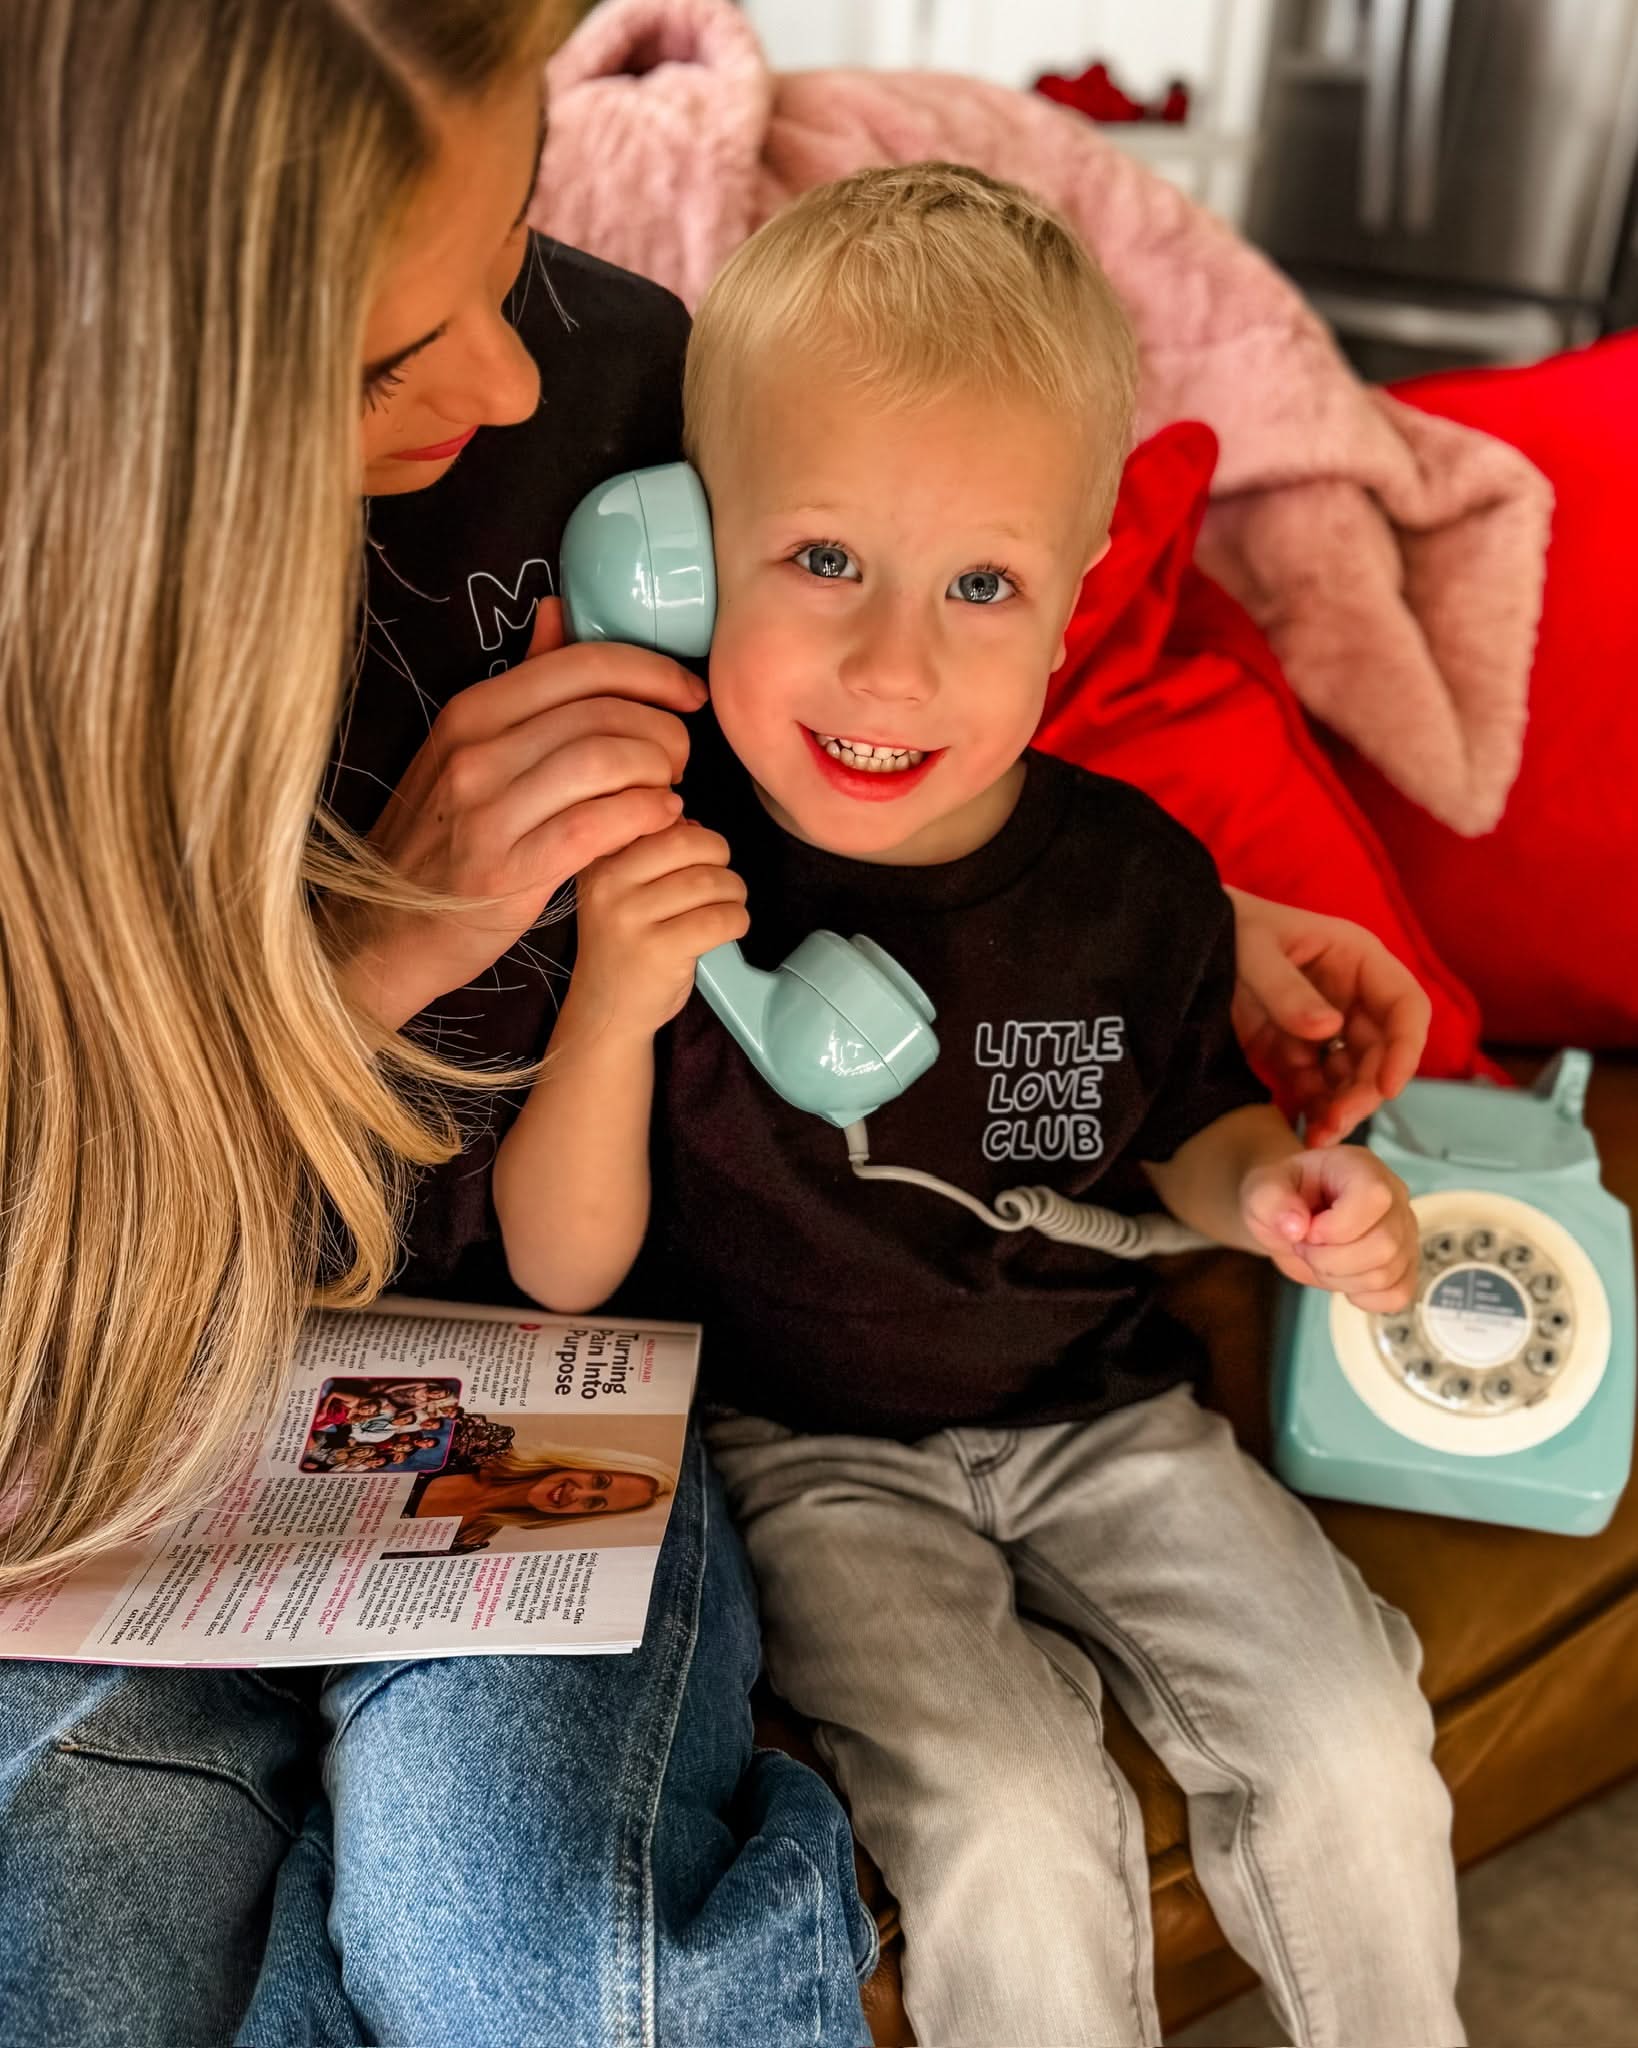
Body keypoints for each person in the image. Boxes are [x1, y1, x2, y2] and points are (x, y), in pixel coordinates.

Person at [495, 165, 1462, 2048]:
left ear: (1067, 604)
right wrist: (619, 997)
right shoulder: (656, 862)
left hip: (1103, 1414)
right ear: (690, 556)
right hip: (804, 1454)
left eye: (979, 585)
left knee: (1352, 1736)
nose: (888, 663)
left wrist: (1278, 1192)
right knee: (1009, 1816)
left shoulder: (1137, 884)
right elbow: (559, 1262)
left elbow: (1182, 1136)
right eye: (824, 559)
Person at [0, 6, 871, 2044]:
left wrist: (1199, 933)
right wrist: (366, 960)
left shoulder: (619, 382)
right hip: (107, 1436)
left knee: (550, 1979)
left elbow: (884, 735)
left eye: (518, 242)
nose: (507, 375)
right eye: (397, 353)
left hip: (516, 1405)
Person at [405, 1442, 676, 1551]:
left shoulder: (472, 1540)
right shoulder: (479, 1444)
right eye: (598, 1481)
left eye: (593, 1503)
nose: (576, 1493)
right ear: (586, 1464)